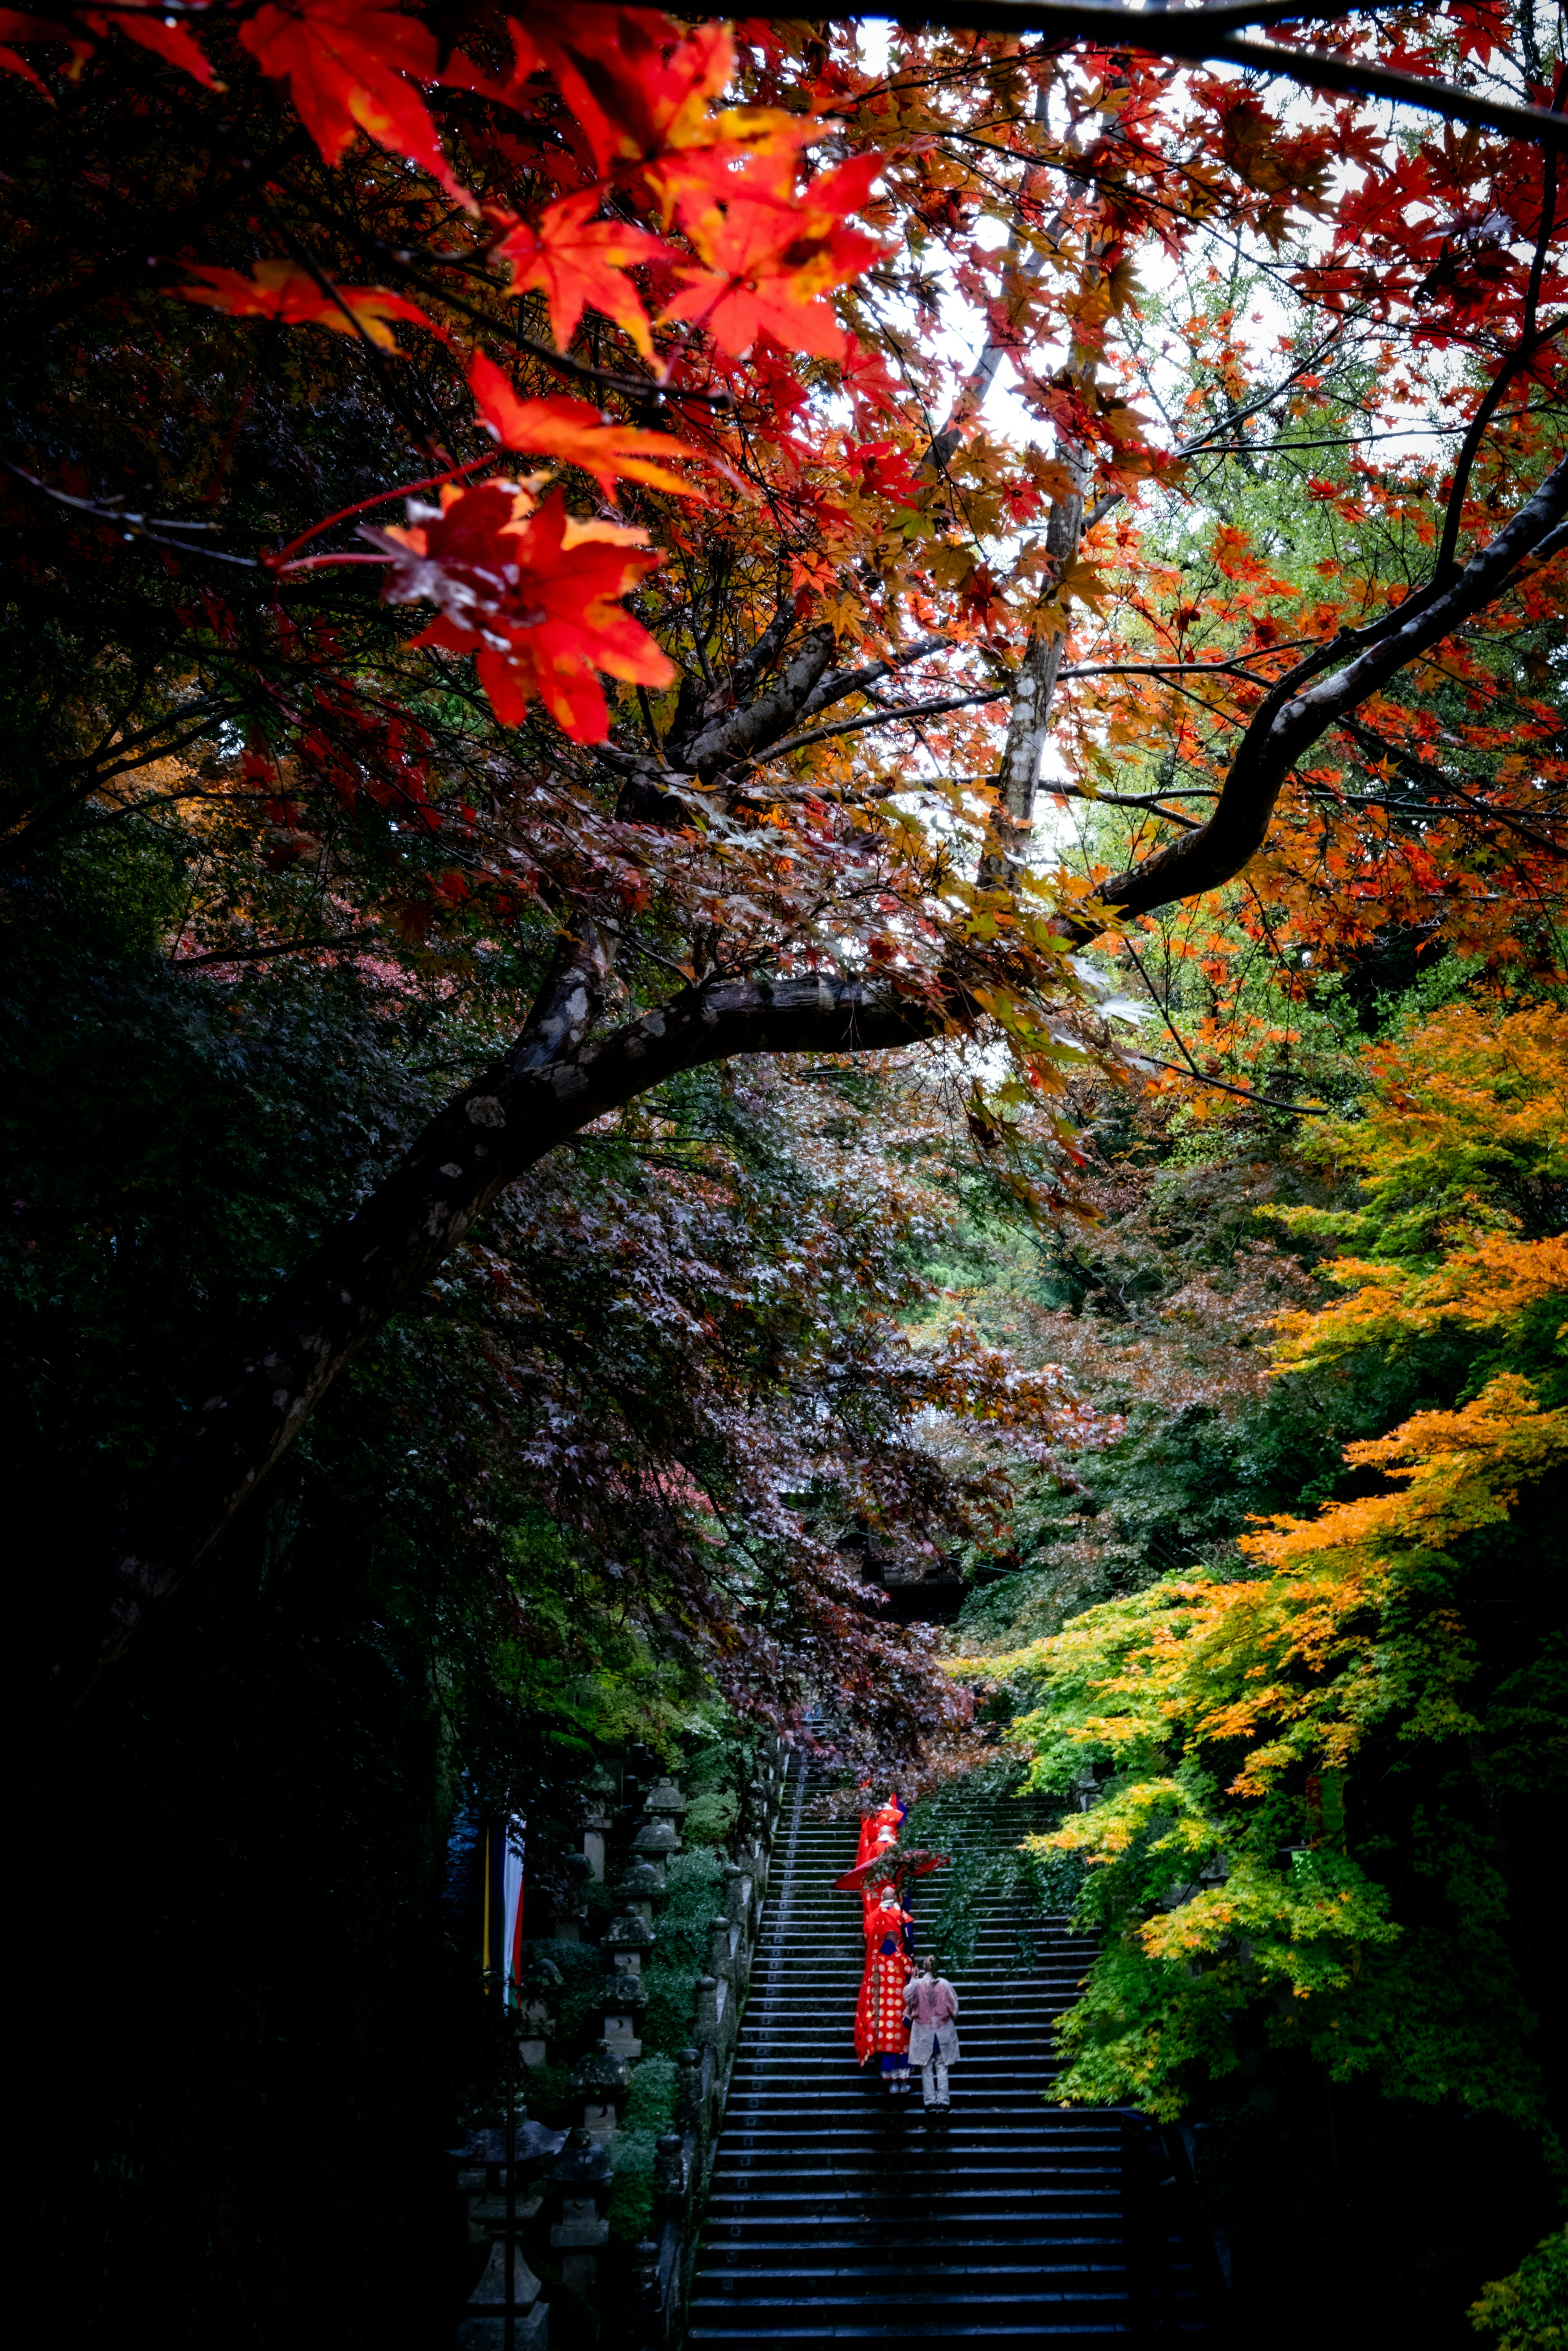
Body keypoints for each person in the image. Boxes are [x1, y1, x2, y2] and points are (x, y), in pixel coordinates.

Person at [855, 1884, 915, 2093]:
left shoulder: (873, 1918)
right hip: (900, 1989)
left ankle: (889, 2078)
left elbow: (867, 1934)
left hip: (881, 1989)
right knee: (902, 2030)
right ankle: (904, 2078)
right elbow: (909, 1939)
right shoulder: (902, 1917)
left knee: (884, 2029)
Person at [904, 1953, 960, 2118]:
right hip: (942, 2031)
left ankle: (929, 2102)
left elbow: (907, 1996)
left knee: (926, 2068)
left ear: (924, 1968)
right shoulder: (945, 1984)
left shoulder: (918, 1985)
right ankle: (943, 2101)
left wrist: (914, 1979)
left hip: (923, 2032)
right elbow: (954, 2010)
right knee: (942, 2068)